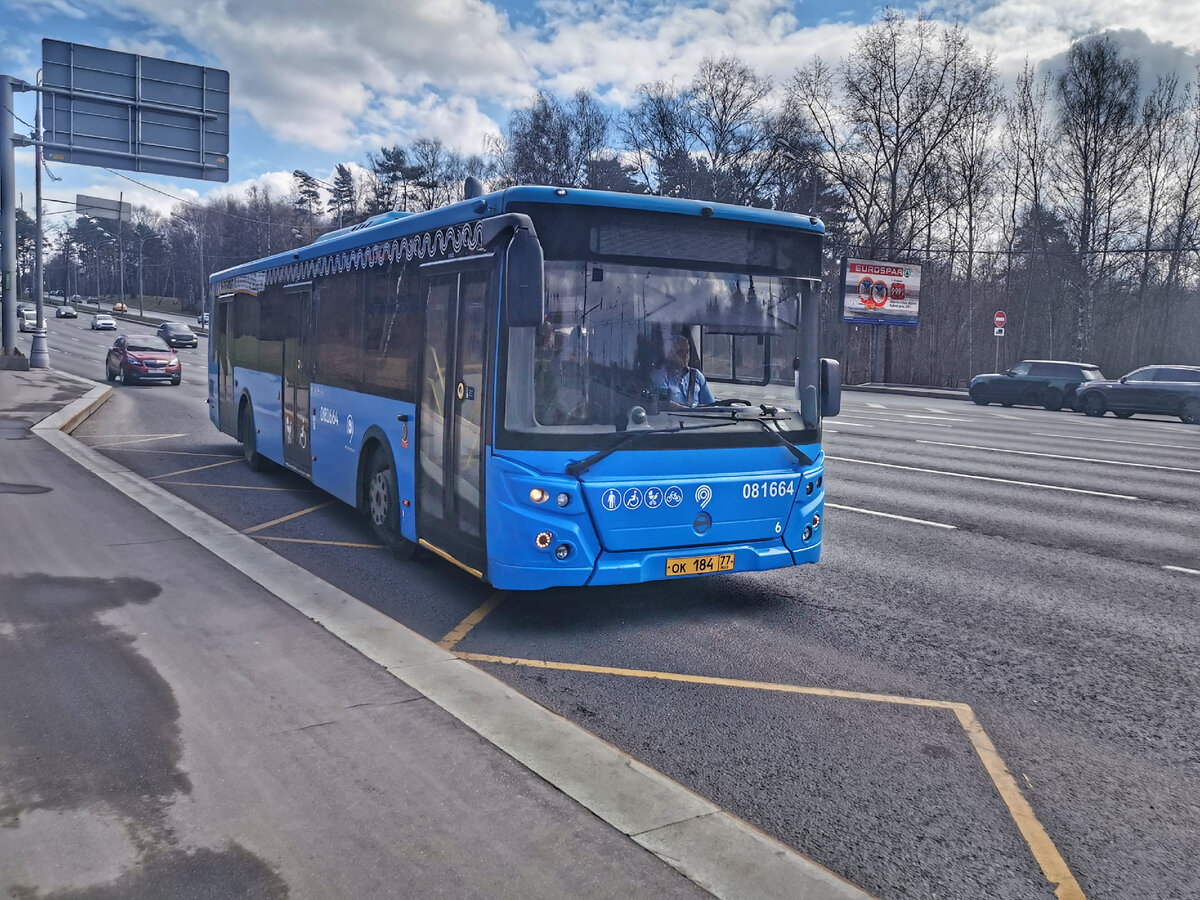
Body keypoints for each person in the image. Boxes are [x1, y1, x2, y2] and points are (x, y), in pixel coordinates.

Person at [651, 334, 714, 408]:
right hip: (671, 418)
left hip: (697, 418)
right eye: (680, 352)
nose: (685, 355)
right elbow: (663, 403)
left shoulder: (696, 375)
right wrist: (686, 410)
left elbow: (710, 405)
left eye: (687, 351)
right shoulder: (661, 376)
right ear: (669, 354)